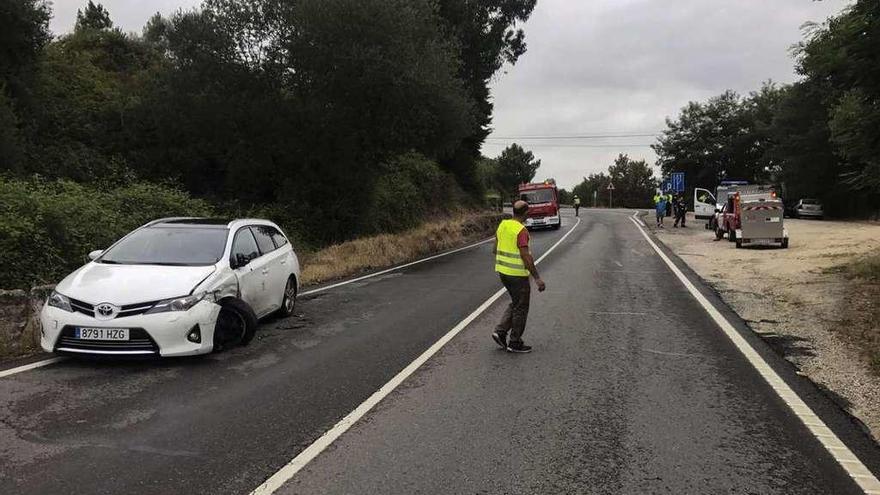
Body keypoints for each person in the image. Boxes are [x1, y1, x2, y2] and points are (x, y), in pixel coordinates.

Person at [492, 200, 546, 353]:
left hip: (503, 272)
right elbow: (525, 256)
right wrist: (537, 278)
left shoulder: (503, 225)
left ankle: (501, 331)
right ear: (526, 213)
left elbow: (495, 249)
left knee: (516, 302)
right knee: (521, 307)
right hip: (517, 275)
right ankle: (515, 342)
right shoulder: (521, 231)